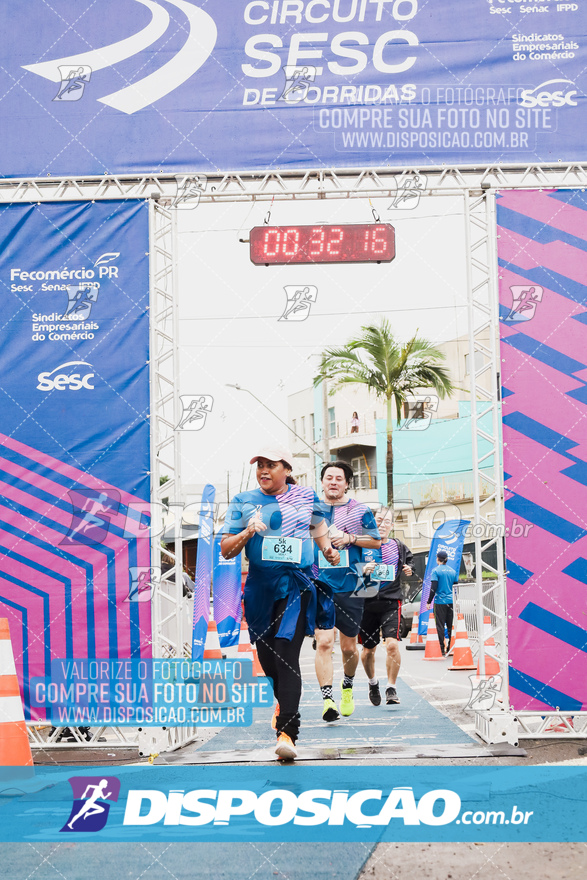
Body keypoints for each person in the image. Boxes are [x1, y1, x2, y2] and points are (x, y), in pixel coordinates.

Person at [220, 446, 339, 761]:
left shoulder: (304, 496)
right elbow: (226, 549)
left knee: (287, 656)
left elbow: (318, 526)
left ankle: (287, 732)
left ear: (286, 469)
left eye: (270, 465)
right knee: (269, 661)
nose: (263, 470)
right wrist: (247, 531)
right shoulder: (243, 501)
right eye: (259, 464)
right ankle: (282, 703)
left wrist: (326, 549)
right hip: (260, 588)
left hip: (295, 585)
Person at [312, 461, 381, 721]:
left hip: (351, 585)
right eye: (328, 477)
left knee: (349, 648)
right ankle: (328, 701)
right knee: (325, 642)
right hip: (321, 583)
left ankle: (348, 686)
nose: (333, 482)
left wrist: (350, 539)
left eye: (338, 479)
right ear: (322, 481)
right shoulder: (313, 509)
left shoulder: (359, 510)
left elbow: (375, 540)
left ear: (347, 484)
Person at [360, 508, 413, 705]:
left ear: (392, 526)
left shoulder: (399, 546)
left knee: (392, 645)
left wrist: (409, 569)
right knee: (368, 651)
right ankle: (373, 683)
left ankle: (391, 688)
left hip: (391, 601)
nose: (382, 524)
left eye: (387, 522)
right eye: (379, 520)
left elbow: (410, 563)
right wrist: (363, 569)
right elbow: (350, 570)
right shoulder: (362, 545)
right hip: (367, 601)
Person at [426, 549, 458, 656]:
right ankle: (450, 647)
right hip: (451, 601)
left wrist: (429, 601)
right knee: (450, 624)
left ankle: (441, 648)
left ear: (438, 559)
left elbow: (433, 588)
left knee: (440, 625)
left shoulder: (436, 571)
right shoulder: (453, 571)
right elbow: (455, 587)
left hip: (440, 601)